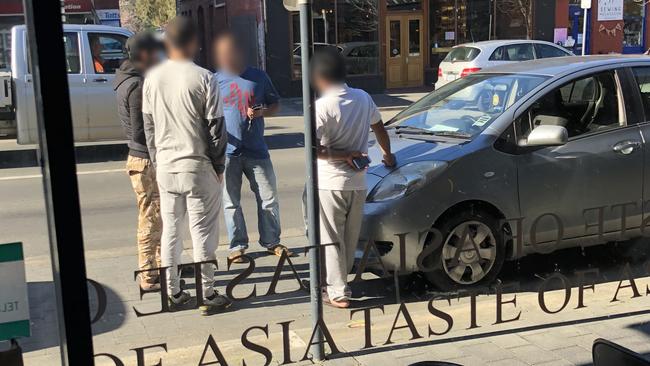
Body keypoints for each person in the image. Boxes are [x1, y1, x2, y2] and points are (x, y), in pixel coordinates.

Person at [142, 16, 231, 315]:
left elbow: (149, 128)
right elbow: (216, 128)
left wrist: (157, 163)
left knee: (172, 231)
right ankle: (207, 293)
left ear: (167, 42)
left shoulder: (152, 78)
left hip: (166, 166)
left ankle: (173, 292)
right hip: (197, 165)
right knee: (203, 232)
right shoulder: (204, 77)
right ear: (193, 42)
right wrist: (219, 166)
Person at [309, 48, 395, 308]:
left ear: (321, 77)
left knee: (331, 238)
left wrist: (343, 154)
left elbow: (315, 150)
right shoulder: (363, 97)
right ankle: (340, 281)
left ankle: (337, 291)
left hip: (330, 183)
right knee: (349, 237)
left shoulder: (322, 106)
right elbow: (379, 127)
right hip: (359, 182)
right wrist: (387, 155)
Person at [213, 32, 291, 263]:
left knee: (268, 197)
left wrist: (262, 112)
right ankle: (237, 246)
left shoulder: (258, 77)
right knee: (231, 202)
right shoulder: (215, 80)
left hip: (257, 149)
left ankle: (271, 241)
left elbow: (275, 104)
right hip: (228, 151)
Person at [113, 32, 163, 291]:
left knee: (157, 215)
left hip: (138, 157)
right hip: (145, 159)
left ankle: (162, 265)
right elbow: (142, 130)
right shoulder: (137, 86)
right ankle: (149, 275)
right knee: (151, 218)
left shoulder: (124, 78)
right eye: (155, 53)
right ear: (144, 55)